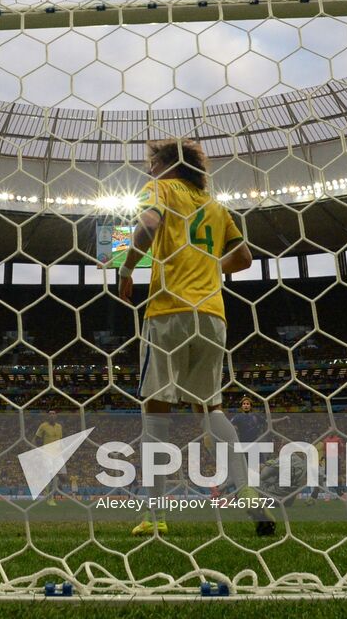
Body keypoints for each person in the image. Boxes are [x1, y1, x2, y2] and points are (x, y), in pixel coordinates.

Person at [118, 139, 272, 538]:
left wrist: (126, 269)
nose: (149, 171)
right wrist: (207, 266)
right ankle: (247, 489)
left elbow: (149, 224)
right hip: (212, 315)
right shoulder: (215, 206)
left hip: (168, 311)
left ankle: (155, 514)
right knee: (211, 408)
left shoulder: (161, 189)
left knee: (156, 409)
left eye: (152, 163)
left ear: (168, 166)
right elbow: (243, 258)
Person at [33, 409, 65, 506]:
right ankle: (49, 498)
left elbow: (60, 440)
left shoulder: (59, 427)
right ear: (48, 416)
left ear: (56, 416)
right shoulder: (43, 426)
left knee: (63, 477)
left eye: (53, 414)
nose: (51, 415)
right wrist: (36, 451)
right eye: (50, 414)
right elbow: (36, 439)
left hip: (58, 454)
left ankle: (50, 493)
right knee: (51, 476)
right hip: (47, 454)